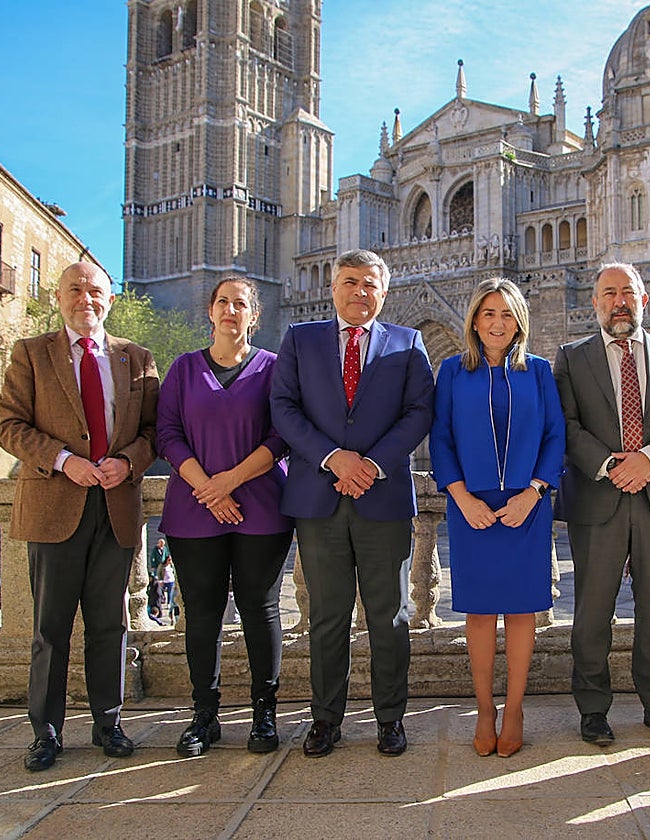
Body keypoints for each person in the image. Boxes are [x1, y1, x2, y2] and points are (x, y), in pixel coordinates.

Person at [0, 261, 159, 772]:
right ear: (58, 297)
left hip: (116, 507)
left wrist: (127, 461)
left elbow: (157, 432)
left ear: (109, 300)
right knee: (51, 629)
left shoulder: (137, 358)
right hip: (53, 505)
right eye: (75, 290)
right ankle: (45, 733)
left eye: (95, 290)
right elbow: (8, 427)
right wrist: (66, 461)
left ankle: (108, 724)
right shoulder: (30, 354)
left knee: (111, 624)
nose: (85, 298)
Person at [271, 249, 434, 759]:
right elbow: (283, 407)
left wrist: (371, 464)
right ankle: (325, 719)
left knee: (390, 615)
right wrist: (334, 458)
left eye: (370, 284)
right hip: (318, 498)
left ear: (383, 292)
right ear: (333, 286)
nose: (359, 291)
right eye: (350, 282)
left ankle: (390, 718)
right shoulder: (300, 339)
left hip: (382, 497)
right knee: (326, 617)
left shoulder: (408, 344)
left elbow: (419, 412)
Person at [554, 262, 650, 745]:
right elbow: (567, 426)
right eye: (608, 293)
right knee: (592, 610)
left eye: (627, 292)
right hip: (598, 498)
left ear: (645, 300)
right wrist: (611, 466)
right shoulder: (572, 357)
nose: (618, 301)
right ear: (595, 303)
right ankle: (593, 709)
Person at [156, 277, 295, 757]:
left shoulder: (275, 369)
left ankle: (264, 714)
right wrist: (208, 488)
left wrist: (229, 482)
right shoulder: (183, 369)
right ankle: (204, 716)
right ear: (210, 312)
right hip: (194, 510)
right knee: (202, 614)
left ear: (253, 315)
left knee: (261, 611)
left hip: (261, 508)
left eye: (241, 304)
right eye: (223, 302)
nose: (231, 310)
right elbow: (168, 435)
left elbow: (282, 436)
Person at [429, 278, 565, 758]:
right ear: (474, 320)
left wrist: (534, 492)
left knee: (522, 610)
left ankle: (514, 708)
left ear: (519, 321)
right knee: (481, 612)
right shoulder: (451, 372)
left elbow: (554, 437)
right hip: (472, 507)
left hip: (526, 505)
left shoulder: (540, 372)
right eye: (488, 313)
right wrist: (462, 498)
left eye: (507, 314)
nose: (497, 323)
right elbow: (440, 439)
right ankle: (485, 708)